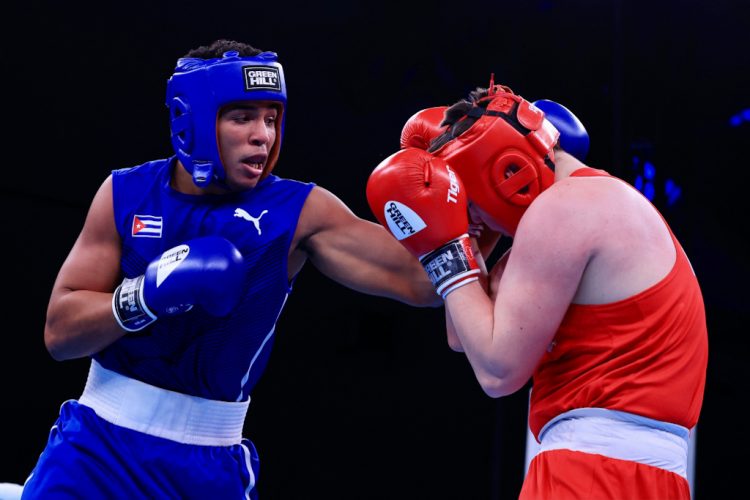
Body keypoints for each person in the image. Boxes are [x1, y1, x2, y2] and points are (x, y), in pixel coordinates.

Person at [20, 39, 440, 499]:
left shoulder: (298, 212)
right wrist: (143, 298)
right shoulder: (126, 194)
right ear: (193, 120)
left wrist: (484, 211)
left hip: (209, 467)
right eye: (242, 117)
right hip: (95, 451)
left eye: (271, 118)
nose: (264, 135)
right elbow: (59, 335)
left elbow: (422, 281)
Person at [366, 83, 708, 499]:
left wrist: (443, 249)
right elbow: (464, 337)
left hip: (594, 473)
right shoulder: (589, 201)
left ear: (507, 172)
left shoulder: (563, 210)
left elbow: (497, 370)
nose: (468, 214)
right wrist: (468, 233)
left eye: (469, 201)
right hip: (638, 473)